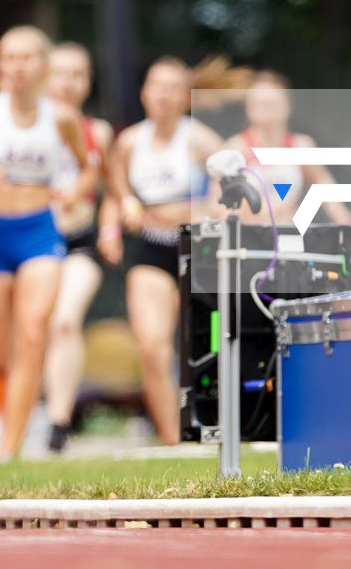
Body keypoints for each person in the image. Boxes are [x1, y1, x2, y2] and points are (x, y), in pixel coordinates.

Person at [0, 27, 90, 459]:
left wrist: (74, 190)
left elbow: (87, 168)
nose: (18, 67)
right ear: (0, 67)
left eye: (27, 58)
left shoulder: (61, 117)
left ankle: (11, 444)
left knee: (31, 334)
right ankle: (10, 408)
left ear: (43, 65)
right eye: (9, 58)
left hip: (39, 233)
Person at [98, 57, 224, 442]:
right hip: (151, 247)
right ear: (144, 93)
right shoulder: (130, 141)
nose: (164, 95)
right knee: (152, 346)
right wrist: (110, 226)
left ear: (185, 97)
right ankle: (174, 440)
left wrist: (205, 209)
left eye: (173, 88)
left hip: (198, 247)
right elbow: (115, 192)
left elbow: (230, 193)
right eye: (157, 86)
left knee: (203, 346)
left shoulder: (202, 139)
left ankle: (214, 424)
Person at [40, 41, 113, 453]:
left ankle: (58, 424)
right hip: (30, 243)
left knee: (65, 321)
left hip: (78, 242)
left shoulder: (97, 132)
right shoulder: (21, 125)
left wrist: (111, 226)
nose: (67, 83)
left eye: (77, 74)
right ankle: (21, 416)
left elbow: (115, 191)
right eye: (60, 73)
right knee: (31, 332)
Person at [219, 70, 351, 230]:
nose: (267, 110)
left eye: (273, 104)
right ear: (248, 109)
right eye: (260, 105)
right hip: (246, 238)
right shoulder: (236, 148)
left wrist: (346, 225)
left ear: (287, 106)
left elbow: (326, 189)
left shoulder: (301, 146)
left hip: (289, 236)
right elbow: (217, 204)